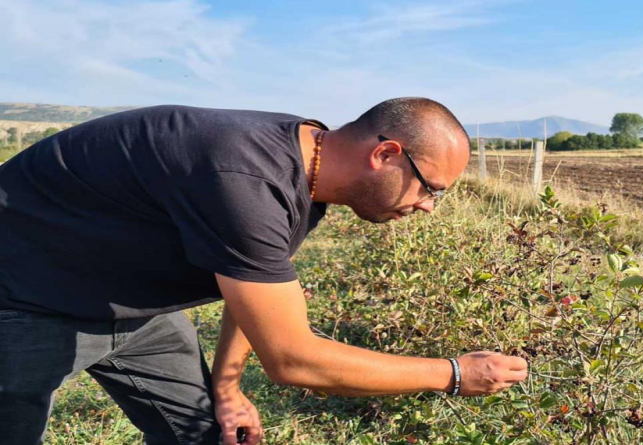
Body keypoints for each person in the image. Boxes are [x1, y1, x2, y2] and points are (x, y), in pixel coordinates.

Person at [0, 97, 528, 445]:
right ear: (386, 153)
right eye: (430, 189)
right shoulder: (246, 177)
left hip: (131, 306)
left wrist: (228, 392)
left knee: (206, 432)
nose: (428, 207)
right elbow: (293, 360)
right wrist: (453, 374)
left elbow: (249, 285)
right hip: (24, 298)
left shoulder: (311, 170)